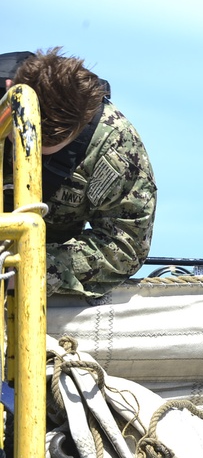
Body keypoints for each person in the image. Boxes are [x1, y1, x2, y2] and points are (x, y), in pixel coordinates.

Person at [1, 47, 157, 297]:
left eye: (44, 151)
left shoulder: (115, 146)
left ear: (80, 126)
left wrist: (32, 269)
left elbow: (124, 248)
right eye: (15, 139)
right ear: (10, 86)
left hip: (30, 276)